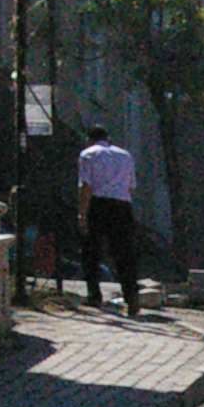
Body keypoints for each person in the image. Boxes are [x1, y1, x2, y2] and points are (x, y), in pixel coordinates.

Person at [75, 125, 141, 317]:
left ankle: (94, 296)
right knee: (124, 254)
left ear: (89, 139)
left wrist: (82, 214)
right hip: (122, 206)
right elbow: (131, 187)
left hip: (98, 204)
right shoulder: (125, 155)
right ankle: (132, 298)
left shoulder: (88, 154)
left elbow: (86, 186)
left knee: (91, 251)